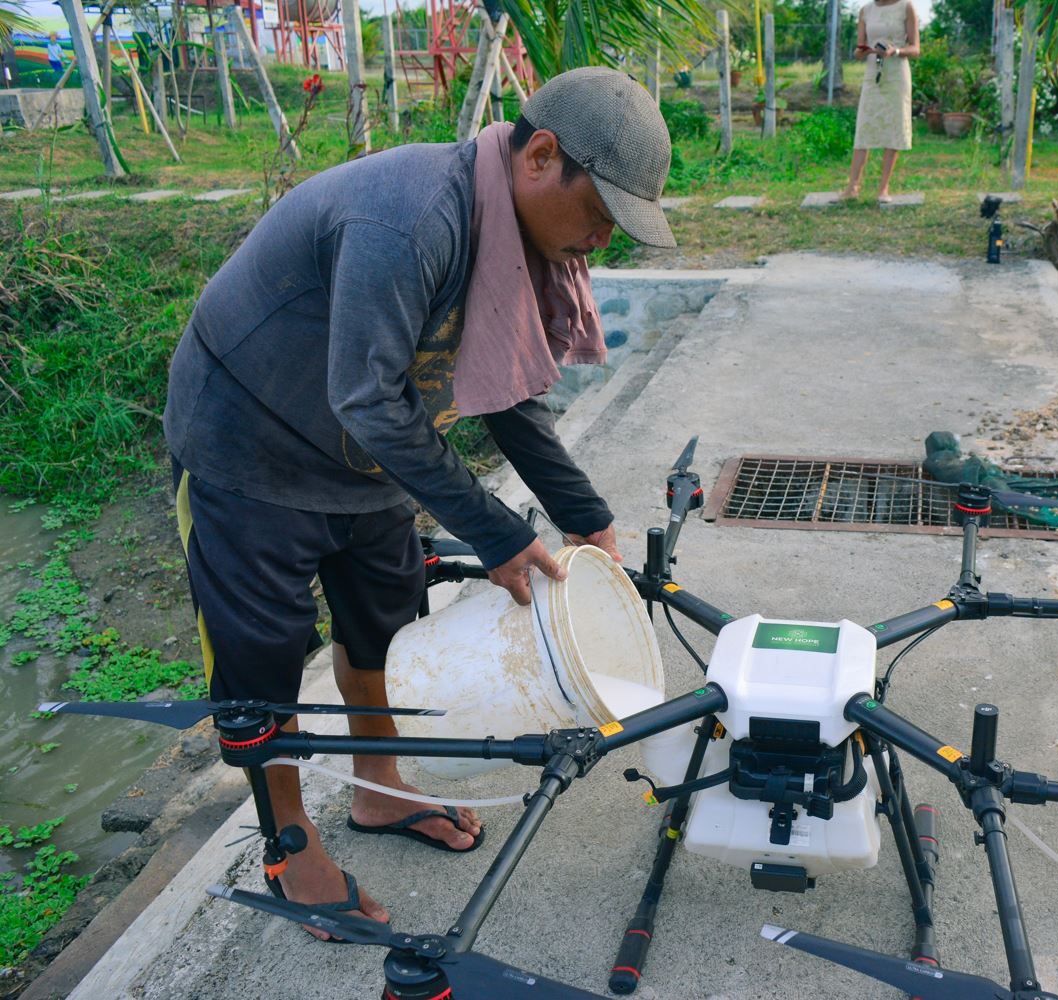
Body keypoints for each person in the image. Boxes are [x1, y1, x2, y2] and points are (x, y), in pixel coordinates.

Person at [162, 67, 675, 937]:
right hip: (248, 442)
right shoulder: (407, 216)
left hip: (360, 456)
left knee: (384, 621)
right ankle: (286, 843)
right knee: (265, 656)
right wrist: (496, 531)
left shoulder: (512, 233)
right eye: (599, 217)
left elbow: (507, 388)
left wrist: (581, 512)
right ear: (541, 157)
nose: (599, 241)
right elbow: (369, 400)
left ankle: (379, 793)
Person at [842, 0, 919, 203]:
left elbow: (915, 48)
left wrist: (896, 51)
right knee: (864, 125)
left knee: (893, 126)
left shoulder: (906, 7)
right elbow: (858, 50)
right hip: (873, 72)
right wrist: (865, 51)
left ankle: (883, 188)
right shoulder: (866, 11)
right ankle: (853, 187)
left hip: (896, 73)